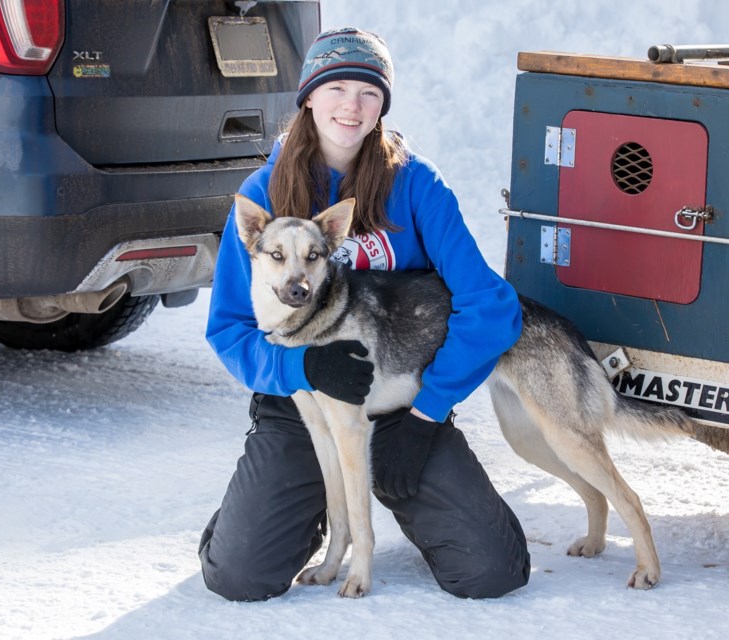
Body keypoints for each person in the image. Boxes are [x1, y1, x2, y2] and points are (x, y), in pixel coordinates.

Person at [199, 27, 530, 601]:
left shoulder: (416, 186)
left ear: (383, 106)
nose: (352, 106)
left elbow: (491, 307)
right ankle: (303, 511)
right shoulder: (264, 193)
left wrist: (428, 413)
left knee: (490, 571)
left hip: (404, 407)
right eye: (337, 88)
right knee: (239, 574)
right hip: (301, 403)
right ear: (308, 96)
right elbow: (228, 329)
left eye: (369, 93)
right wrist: (301, 372)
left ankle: (396, 495)